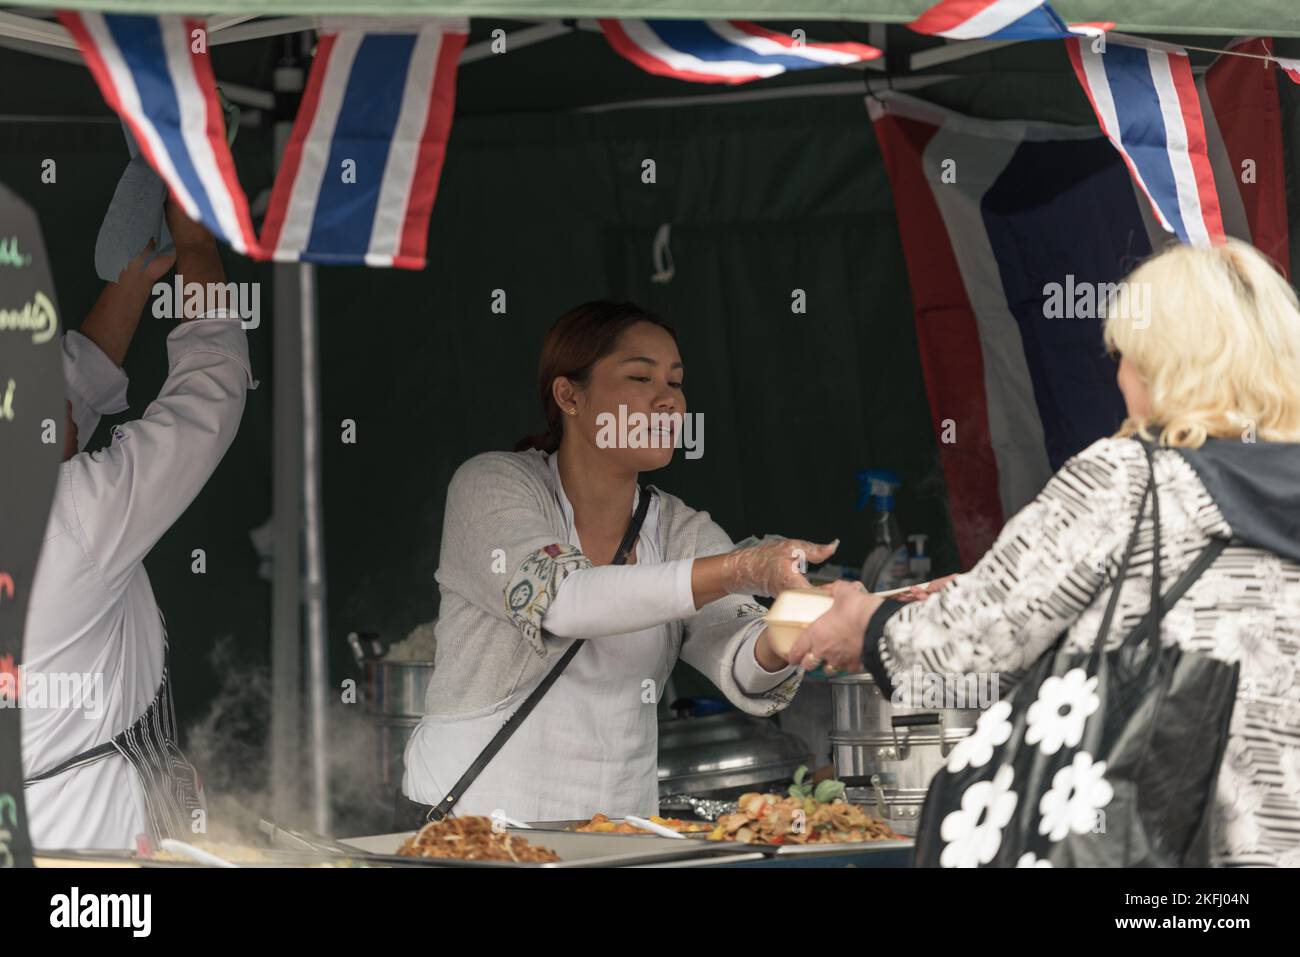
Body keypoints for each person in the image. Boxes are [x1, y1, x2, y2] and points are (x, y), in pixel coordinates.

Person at [788, 239, 1300, 867]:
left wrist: (865, 624)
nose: (1119, 376)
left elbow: (967, 643)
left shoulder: (1129, 479)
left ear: (1162, 364)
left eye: (1126, 356)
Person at [401, 300, 836, 824]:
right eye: (639, 377)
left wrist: (801, 619)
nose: (667, 401)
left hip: (620, 834)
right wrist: (738, 568)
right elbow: (564, 599)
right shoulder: (491, 486)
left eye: (676, 383)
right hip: (476, 830)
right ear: (569, 395)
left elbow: (746, 669)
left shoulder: (681, 530)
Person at [21, 202, 253, 850]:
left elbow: (71, 396)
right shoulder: (74, 514)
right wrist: (196, 245)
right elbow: (210, 394)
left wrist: (129, 286)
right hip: (91, 842)